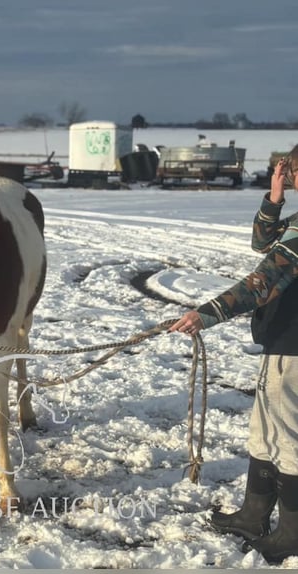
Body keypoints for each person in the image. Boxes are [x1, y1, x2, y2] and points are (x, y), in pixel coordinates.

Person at [170, 147, 298, 564]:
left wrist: (207, 314)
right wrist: (274, 197)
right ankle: (252, 515)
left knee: (288, 440)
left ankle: (292, 535)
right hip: (282, 344)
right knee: (265, 434)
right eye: (293, 172)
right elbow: (262, 242)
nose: (295, 178)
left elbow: (263, 279)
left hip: (293, 350)